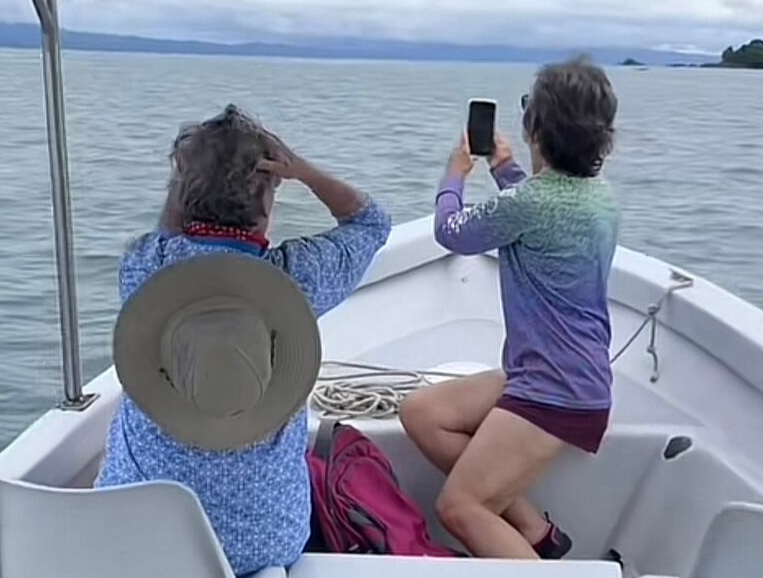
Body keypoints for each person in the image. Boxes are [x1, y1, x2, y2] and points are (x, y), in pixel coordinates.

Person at [97, 105, 391, 577]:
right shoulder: (300, 278)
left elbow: (171, 232)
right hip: (264, 543)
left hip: (137, 535)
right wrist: (306, 171)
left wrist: (189, 183)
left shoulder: (144, 267)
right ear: (268, 201)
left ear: (181, 193)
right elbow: (371, 224)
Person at [398, 56, 619, 560]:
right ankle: (539, 533)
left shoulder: (531, 204)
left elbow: (451, 232)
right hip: (561, 374)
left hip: (555, 389)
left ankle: (538, 565)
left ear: (536, 129)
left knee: (460, 508)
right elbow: (537, 207)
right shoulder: (597, 195)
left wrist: (453, 176)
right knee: (422, 413)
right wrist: (502, 168)